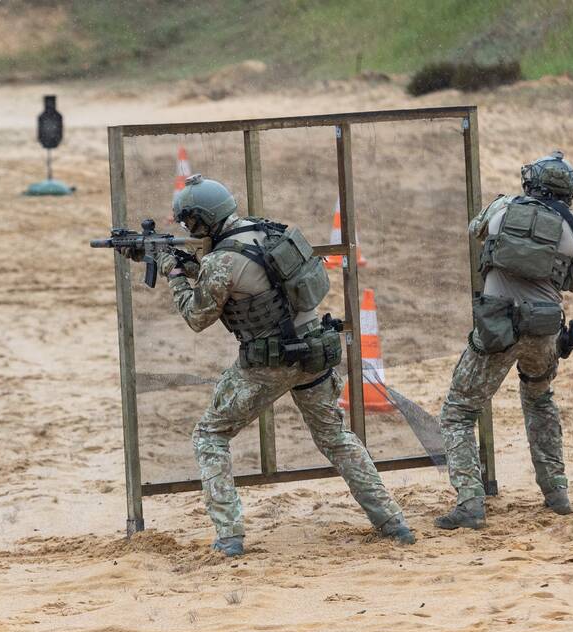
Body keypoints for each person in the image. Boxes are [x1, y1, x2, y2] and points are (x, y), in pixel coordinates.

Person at [151, 174, 415, 557]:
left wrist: (175, 274)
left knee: (209, 435)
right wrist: (192, 267)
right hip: (315, 350)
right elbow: (254, 281)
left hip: (270, 361)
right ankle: (392, 522)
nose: (187, 229)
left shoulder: (222, 260)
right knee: (337, 440)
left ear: (204, 220)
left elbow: (197, 316)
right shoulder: (267, 232)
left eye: (190, 222)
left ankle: (229, 537)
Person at [436, 151, 573, 530]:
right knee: (540, 401)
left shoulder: (503, 207)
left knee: (459, 411)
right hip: (543, 329)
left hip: (496, 327)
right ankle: (556, 492)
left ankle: (470, 503)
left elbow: (474, 230)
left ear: (531, 182)